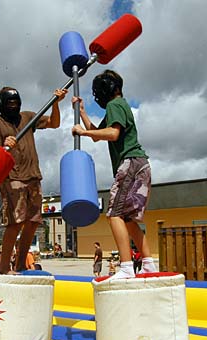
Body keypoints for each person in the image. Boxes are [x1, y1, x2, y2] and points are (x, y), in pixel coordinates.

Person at [71, 69, 156, 279]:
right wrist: (82, 113)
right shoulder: (118, 107)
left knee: (114, 214)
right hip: (140, 164)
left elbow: (112, 133)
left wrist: (83, 132)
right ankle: (148, 264)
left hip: (130, 162)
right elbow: (97, 135)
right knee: (127, 218)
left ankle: (127, 267)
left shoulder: (115, 104)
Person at [0, 86, 68, 274]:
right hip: (12, 178)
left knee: (33, 221)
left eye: (15, 103)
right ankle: (5, 268)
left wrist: (55, 104)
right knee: (15, 223)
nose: (13, 106)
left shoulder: (28, 117)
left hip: (33, 176)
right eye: (9, 103)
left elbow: (54, 124)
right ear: (1, 105)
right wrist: (3, 144)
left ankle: (21, 264)